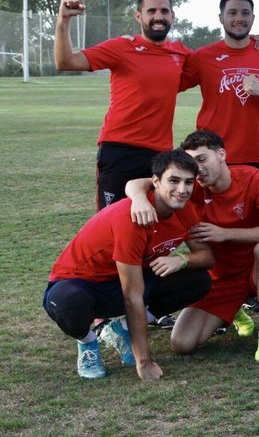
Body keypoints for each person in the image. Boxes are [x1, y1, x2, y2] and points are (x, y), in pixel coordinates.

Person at [43, 150, 213, 380]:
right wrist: (144, 361)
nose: (182, 190)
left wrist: (181, 259)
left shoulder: (184, 209)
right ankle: (88, 344)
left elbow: (206, 257)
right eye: (173, 180)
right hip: (82, 283)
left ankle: (121, 329)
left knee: (198, 279)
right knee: (69, 304)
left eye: (188, 182)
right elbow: (132, 297)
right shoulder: (132, 218)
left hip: (129, 278)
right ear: (155, 181)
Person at [127, 131, 259, 361]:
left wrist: (225, 234)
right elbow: (138, 183)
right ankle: (233, 310)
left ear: (221, 154)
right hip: (220, 279)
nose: (198, 169)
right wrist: (139, 199)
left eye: (202, 159)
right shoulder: (189, 188)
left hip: (258, 269)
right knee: (181, 343)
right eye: (192, 164)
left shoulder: (253, 179)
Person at [54, 0, 191, 210]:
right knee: (110, 221)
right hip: (120, 150)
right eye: (151, 11)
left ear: (172, 16)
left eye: (164, 11)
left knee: (152, 223)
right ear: (139, 16)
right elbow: (66, 61)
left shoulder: (181, 54)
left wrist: (250, 42)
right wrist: (64, 19)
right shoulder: (121, 47)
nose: (159, 16)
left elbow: (214, 62)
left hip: (160, 155)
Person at [179, 0, 259, 167]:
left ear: (253, 18)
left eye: (245, 13)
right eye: (232, 13)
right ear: (220, 18)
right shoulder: (203, 56)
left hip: (251, 155)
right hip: (208, 153)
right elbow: (170, 83)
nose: (239, 18)